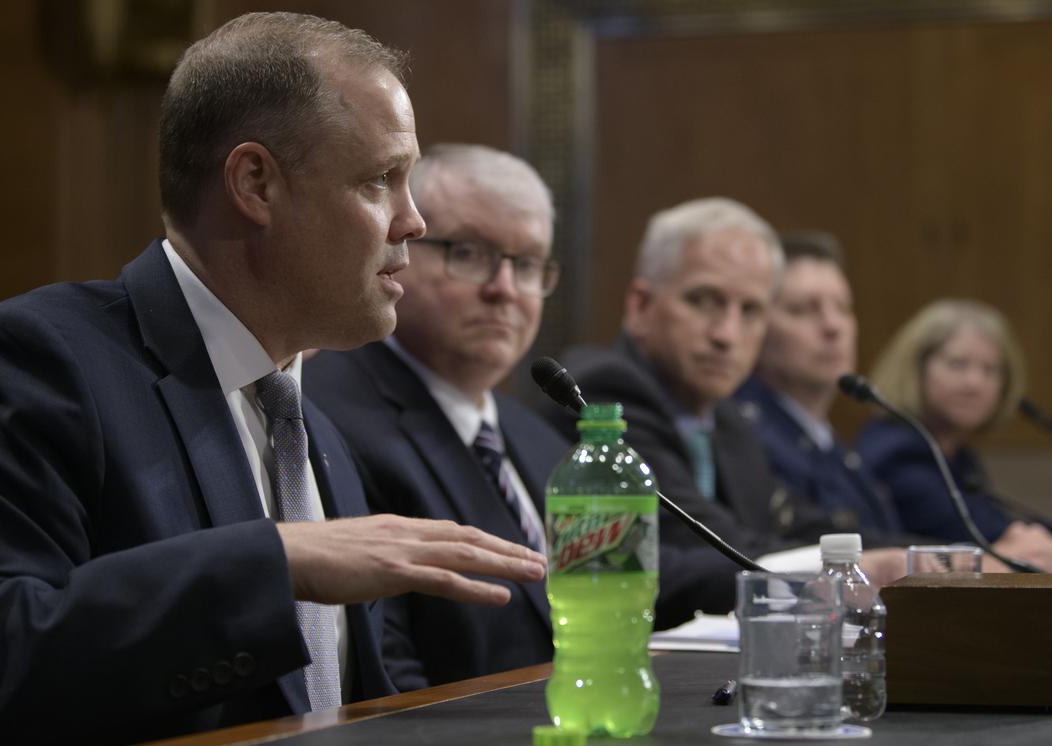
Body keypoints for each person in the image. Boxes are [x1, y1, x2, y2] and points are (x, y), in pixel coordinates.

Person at [0, 13, 545, 744]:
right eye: (380, 180)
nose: (413, 221)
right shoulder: (42, 361)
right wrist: (278, 561)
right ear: (256, 183)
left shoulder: (314, 428)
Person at [306, 145, 741, 688]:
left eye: (528, 264)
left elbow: (612, 573)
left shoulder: (527, 430)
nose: (505, 290)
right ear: (401, 250)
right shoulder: (334, 417)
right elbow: (383, 672)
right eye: (469, 253)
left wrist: (795, 577)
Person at [540, 198, 907, 584]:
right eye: (703, 301)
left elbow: (798, 523)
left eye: (750, 311)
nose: (726, 335)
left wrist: (921, 557)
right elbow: (710, 543)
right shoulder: (603, 393)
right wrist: (846, 567)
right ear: (640, 306)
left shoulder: (728, 418)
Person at [858, 299, 1052, 572]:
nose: (974, 383)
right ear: (916, 370)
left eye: (990, 370)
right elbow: (990, 536)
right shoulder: (898, 452)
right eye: (958, 364)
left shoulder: (956, 455)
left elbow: (1002, 527)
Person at [734, 232, 913, 540]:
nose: (833, 326)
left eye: (843, 308)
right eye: (802, 309)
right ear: (756, 323)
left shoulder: (828, 442)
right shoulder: (744, 434)